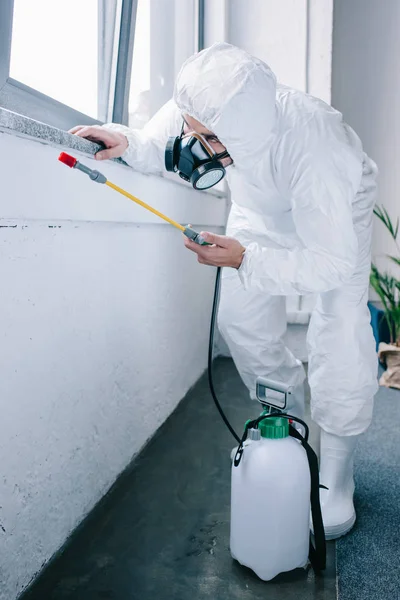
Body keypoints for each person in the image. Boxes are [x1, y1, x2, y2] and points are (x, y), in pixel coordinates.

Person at [70, 42, 378, 539]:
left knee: (339, 326)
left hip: (336, 217)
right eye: (192, 126)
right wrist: (129, 141)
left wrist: (245, 258)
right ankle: (288, 427)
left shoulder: (316, 146)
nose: (192, 138)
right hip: (259, 209)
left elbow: (330, 262)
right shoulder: (209, 106)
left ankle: (337, 474)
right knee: (239, 319)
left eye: (205, 136)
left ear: (240, 133)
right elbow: (165, 136)